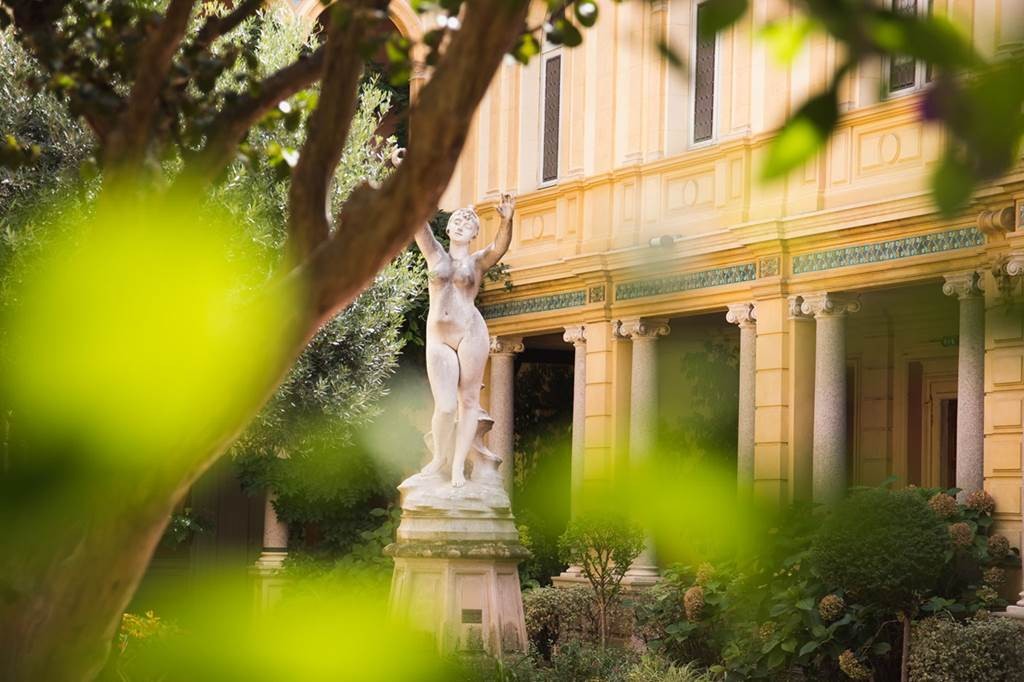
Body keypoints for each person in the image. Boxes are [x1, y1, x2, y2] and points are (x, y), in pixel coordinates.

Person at [414, 192, 515, 487]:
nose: (461, 224)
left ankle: (459, 466)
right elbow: (418, 224)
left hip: (470, 332)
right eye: (457, 220)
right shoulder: (435, 254)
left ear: (474, 233)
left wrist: (507, 220)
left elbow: (499, 247)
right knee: (445, 407)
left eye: (468, 223)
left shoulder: (477, 262)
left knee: (468, 401)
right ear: (447, 229)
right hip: (439, 337)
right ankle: (440, 459)